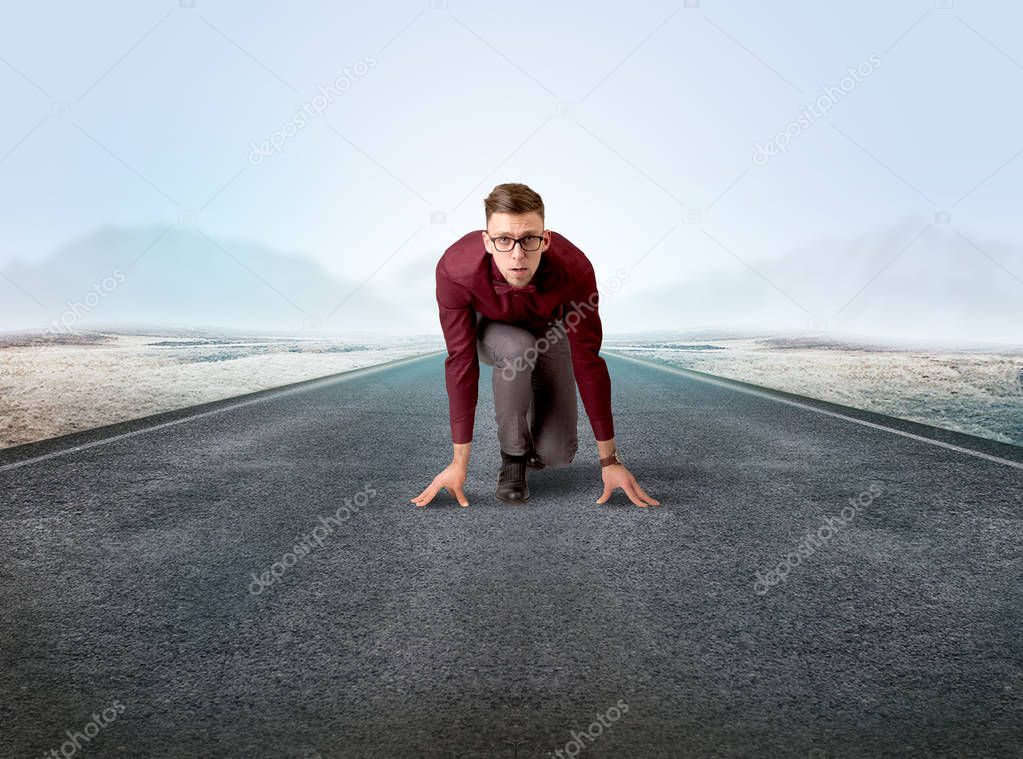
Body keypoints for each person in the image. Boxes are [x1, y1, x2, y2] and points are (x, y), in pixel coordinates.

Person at [409, 182, 659, 508]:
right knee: (516, 347)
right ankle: (513, 458)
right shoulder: (455, 270)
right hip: (491, 330)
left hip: (549, 330)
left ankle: (531, 435)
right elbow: (460, 362)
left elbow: (588, 360)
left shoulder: (576, 269)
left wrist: (609, 461)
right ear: (487, 241)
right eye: (503, 240)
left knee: (557, 454)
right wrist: (459, 463)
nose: (517, 255)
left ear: (546, 239)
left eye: (529, 239)